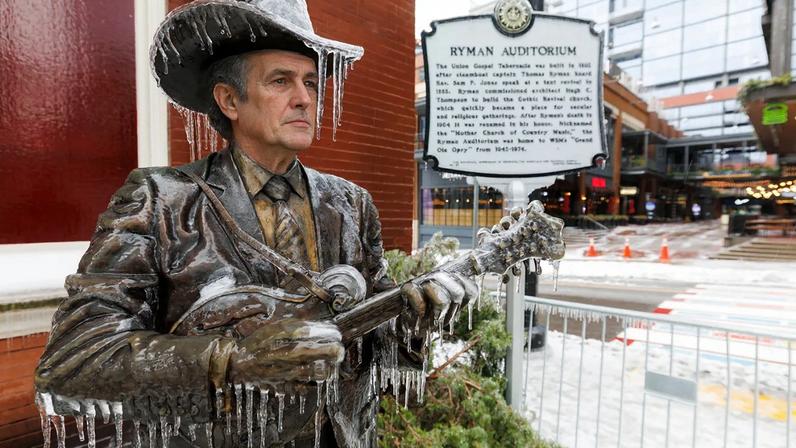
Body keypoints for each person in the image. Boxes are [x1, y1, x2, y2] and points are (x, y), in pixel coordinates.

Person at [34, 1, 476, 447]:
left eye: (311, 82)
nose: (305, 98)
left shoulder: (351, 205)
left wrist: (412, 325)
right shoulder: (160, 202)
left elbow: (374, 349)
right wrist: (234, 362)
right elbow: (73, 361)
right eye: (280, 81)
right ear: (229, 100)